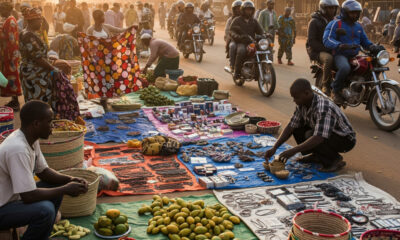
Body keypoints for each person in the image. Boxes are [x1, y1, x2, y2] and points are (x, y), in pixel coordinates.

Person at [0, 100, 89, 240]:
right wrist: (66, 189)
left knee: (55, 187)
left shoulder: (30, 138)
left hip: (12, 199)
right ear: (36, 124)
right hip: (3, 208)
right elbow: (28, 196)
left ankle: (41, 235)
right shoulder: (17, 149)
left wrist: (70, 180)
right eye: (49, 122)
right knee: (45, 210)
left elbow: (44, 172)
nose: (52, 126)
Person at [264, 78, 356, 172]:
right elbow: (291, 126)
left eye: (296, 97)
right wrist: (274, 147)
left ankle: (334, 160)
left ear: (307, 93)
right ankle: (318, 155)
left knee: (311, 135)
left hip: (345, 139)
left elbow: (319, 137)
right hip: (327, 134)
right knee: (297, 128)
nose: (294, 101)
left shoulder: (323, 107)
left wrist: (293, 151)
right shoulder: (302, 104)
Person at [19, 7, 80, 120]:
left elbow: (37, 55)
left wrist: (50, 58)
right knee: (38, 102)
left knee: (38, 101)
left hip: (34, 72)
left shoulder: (29, 33)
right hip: (34, 75)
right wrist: (53, 68)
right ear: (32, 21)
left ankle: (39, 123)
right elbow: (38, 59)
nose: (41, 22)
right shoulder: (28, 35)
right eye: (40, 20)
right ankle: (38, 124)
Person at [323, 0, 374, 104]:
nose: (355, 15)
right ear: (345, 12)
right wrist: (339, 45)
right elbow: (327, 39)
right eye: (352, 12)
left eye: (356, 12)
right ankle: (335, 91)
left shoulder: (358, 26)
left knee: (370, 66)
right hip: (340, 54)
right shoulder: (336, 23)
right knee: (345, 67)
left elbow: (365, 41)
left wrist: (373, 46)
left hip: (354, 55)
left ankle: (365, 91)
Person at [306, 0, 339, 96]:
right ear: (323, 8)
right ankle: (325, 85)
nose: (332, 10)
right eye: (330, 8)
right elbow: (312, 42)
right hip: (316, 51)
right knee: (328, 59)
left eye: (334, 8)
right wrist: (328, 49)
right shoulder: (314, 22)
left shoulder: (335, 21)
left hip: (332, 48)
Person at [230, 0, 264, 80]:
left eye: (250, 9)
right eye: (247, 9)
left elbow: (260, 31)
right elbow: (231, 31)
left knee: (261, 50)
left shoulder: (254, 21)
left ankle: (258, 70)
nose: (249, 11)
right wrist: (239, 37)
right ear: (243, 10)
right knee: (241, 50)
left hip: (251, 42)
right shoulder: (237, 20)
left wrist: (265, 34)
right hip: (241, 42)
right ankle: (237, 72)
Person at [0, 2, 21, 111]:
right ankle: (14, 100)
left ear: (7, 10)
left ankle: (16, 102)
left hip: (10, 54)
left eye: (1, 10)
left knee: (13, 77)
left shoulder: (11, 21)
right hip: (8, 54)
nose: (0, 12)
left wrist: (8, 56)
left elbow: (11, 40)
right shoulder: (9, 20)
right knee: (10, 77)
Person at [224, 0, 242, 72]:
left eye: (240, 8)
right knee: (232, 46)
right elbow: (227, 31)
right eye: (237, 8)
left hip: (245, 39)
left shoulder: (246, 18)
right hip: (233, 39)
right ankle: (232, 65)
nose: (238, 10)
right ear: (233, 9)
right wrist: (232, 37)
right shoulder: (230, 20)